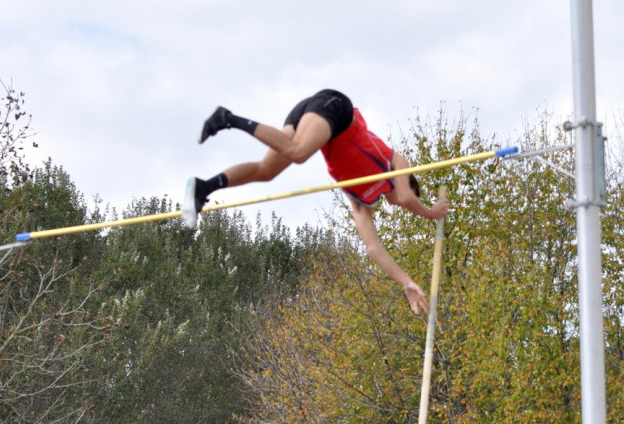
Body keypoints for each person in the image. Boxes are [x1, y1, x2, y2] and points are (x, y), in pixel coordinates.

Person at [183, 89, 449, 314]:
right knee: (297, 152)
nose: (401, 204)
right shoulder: (396, 164)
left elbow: (373, 248)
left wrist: (406, 282)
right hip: (337, 111)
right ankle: (227, 118)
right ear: (411, 186)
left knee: (266, 170)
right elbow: (404, 196)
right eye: (411, 199)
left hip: (311, 119)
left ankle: (204, 187)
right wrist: (430, 213)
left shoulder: (361, 200)